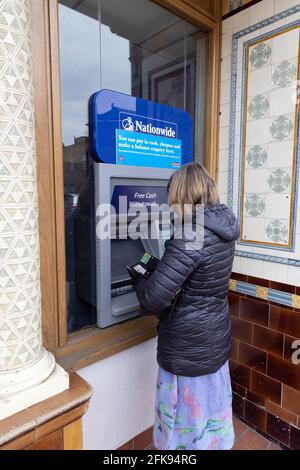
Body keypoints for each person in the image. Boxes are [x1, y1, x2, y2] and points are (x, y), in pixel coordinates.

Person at [135, 162, 240, 451]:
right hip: (214, 334)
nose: (170, 205)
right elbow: (198, 276)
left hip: (187, 345)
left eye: (171, 198)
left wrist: (140, 280)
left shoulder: (191, 234)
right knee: (209, 413)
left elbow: (154, 297)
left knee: (185, 424)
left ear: (182, 194)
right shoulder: (223, 226)